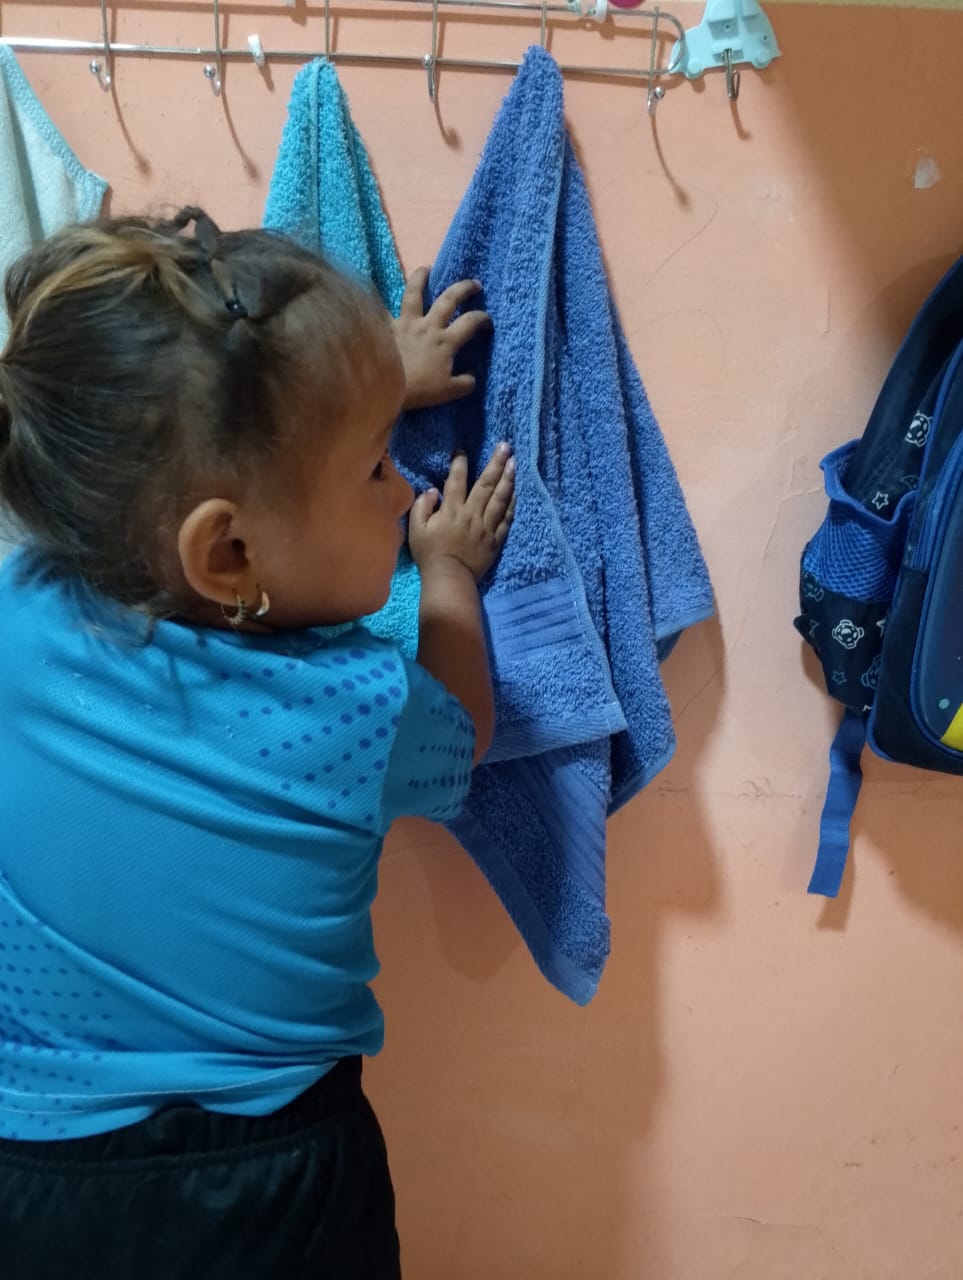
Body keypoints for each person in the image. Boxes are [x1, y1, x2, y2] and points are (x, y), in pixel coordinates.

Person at [0, 206, 515, 1279]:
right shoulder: (361, 707)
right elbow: (463, 735)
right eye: (376, 467)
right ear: (228, 552)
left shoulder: (18, 613)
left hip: (34, 1169)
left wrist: (361, 398)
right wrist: (448, 574)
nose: (404, 489)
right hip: (271, 1181)